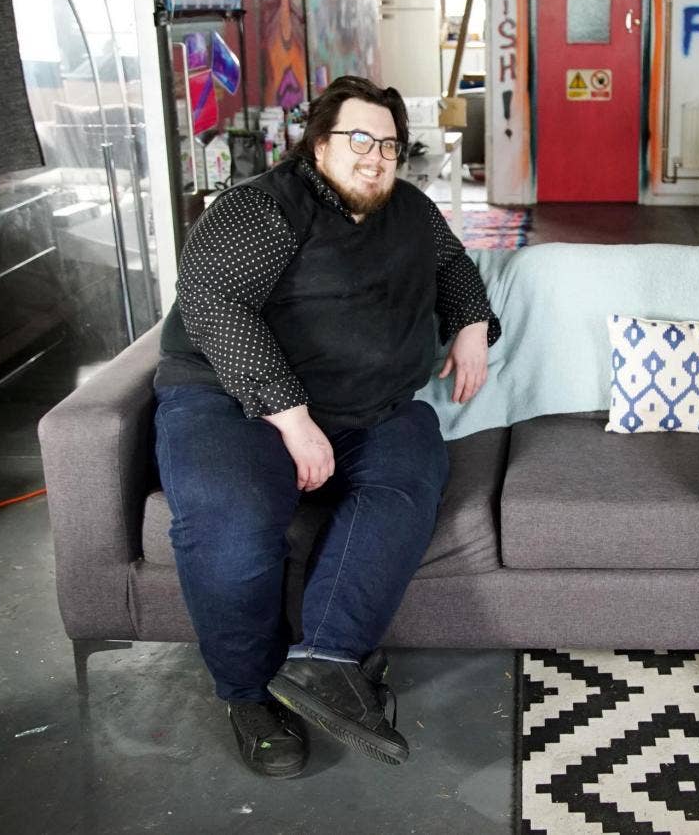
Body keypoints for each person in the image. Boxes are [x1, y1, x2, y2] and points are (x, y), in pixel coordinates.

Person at [153, 76, 500, 778]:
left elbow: (452, 265)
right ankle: (248, 697)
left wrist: (469, 324)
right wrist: (291, 417)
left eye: (390, 146)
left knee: (411, 474)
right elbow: (213, 302)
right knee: (234, 516)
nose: (376, 157)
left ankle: (325, 661)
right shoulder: (263, 209)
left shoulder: (409, 210)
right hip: (233, 400)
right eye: (359, 140)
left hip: (366, 407)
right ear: (319, 144)